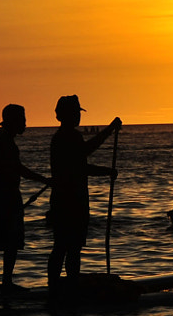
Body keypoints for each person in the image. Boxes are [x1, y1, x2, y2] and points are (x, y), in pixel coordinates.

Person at [47, 95, 120, 285]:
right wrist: (110, 130)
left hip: (70, 198)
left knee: (71, 246)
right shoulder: (67, 137)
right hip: (69, 199)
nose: (78, 117)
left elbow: (80, 166)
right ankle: (58, 285)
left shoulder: (64, 137)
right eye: (75, 113)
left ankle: (66, 283)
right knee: (66, 246)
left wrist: (107, 172)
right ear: (65, 116)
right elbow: (85, 153)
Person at [0, 104, 49, 291]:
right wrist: (43, 179)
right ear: (13, 122)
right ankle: (0, 283)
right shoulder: (5, 143)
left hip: (4, 196)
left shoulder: (5, 141)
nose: (26, 123)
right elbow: (18, 169)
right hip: (6, 197)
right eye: (23, 119)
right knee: (5, 241)